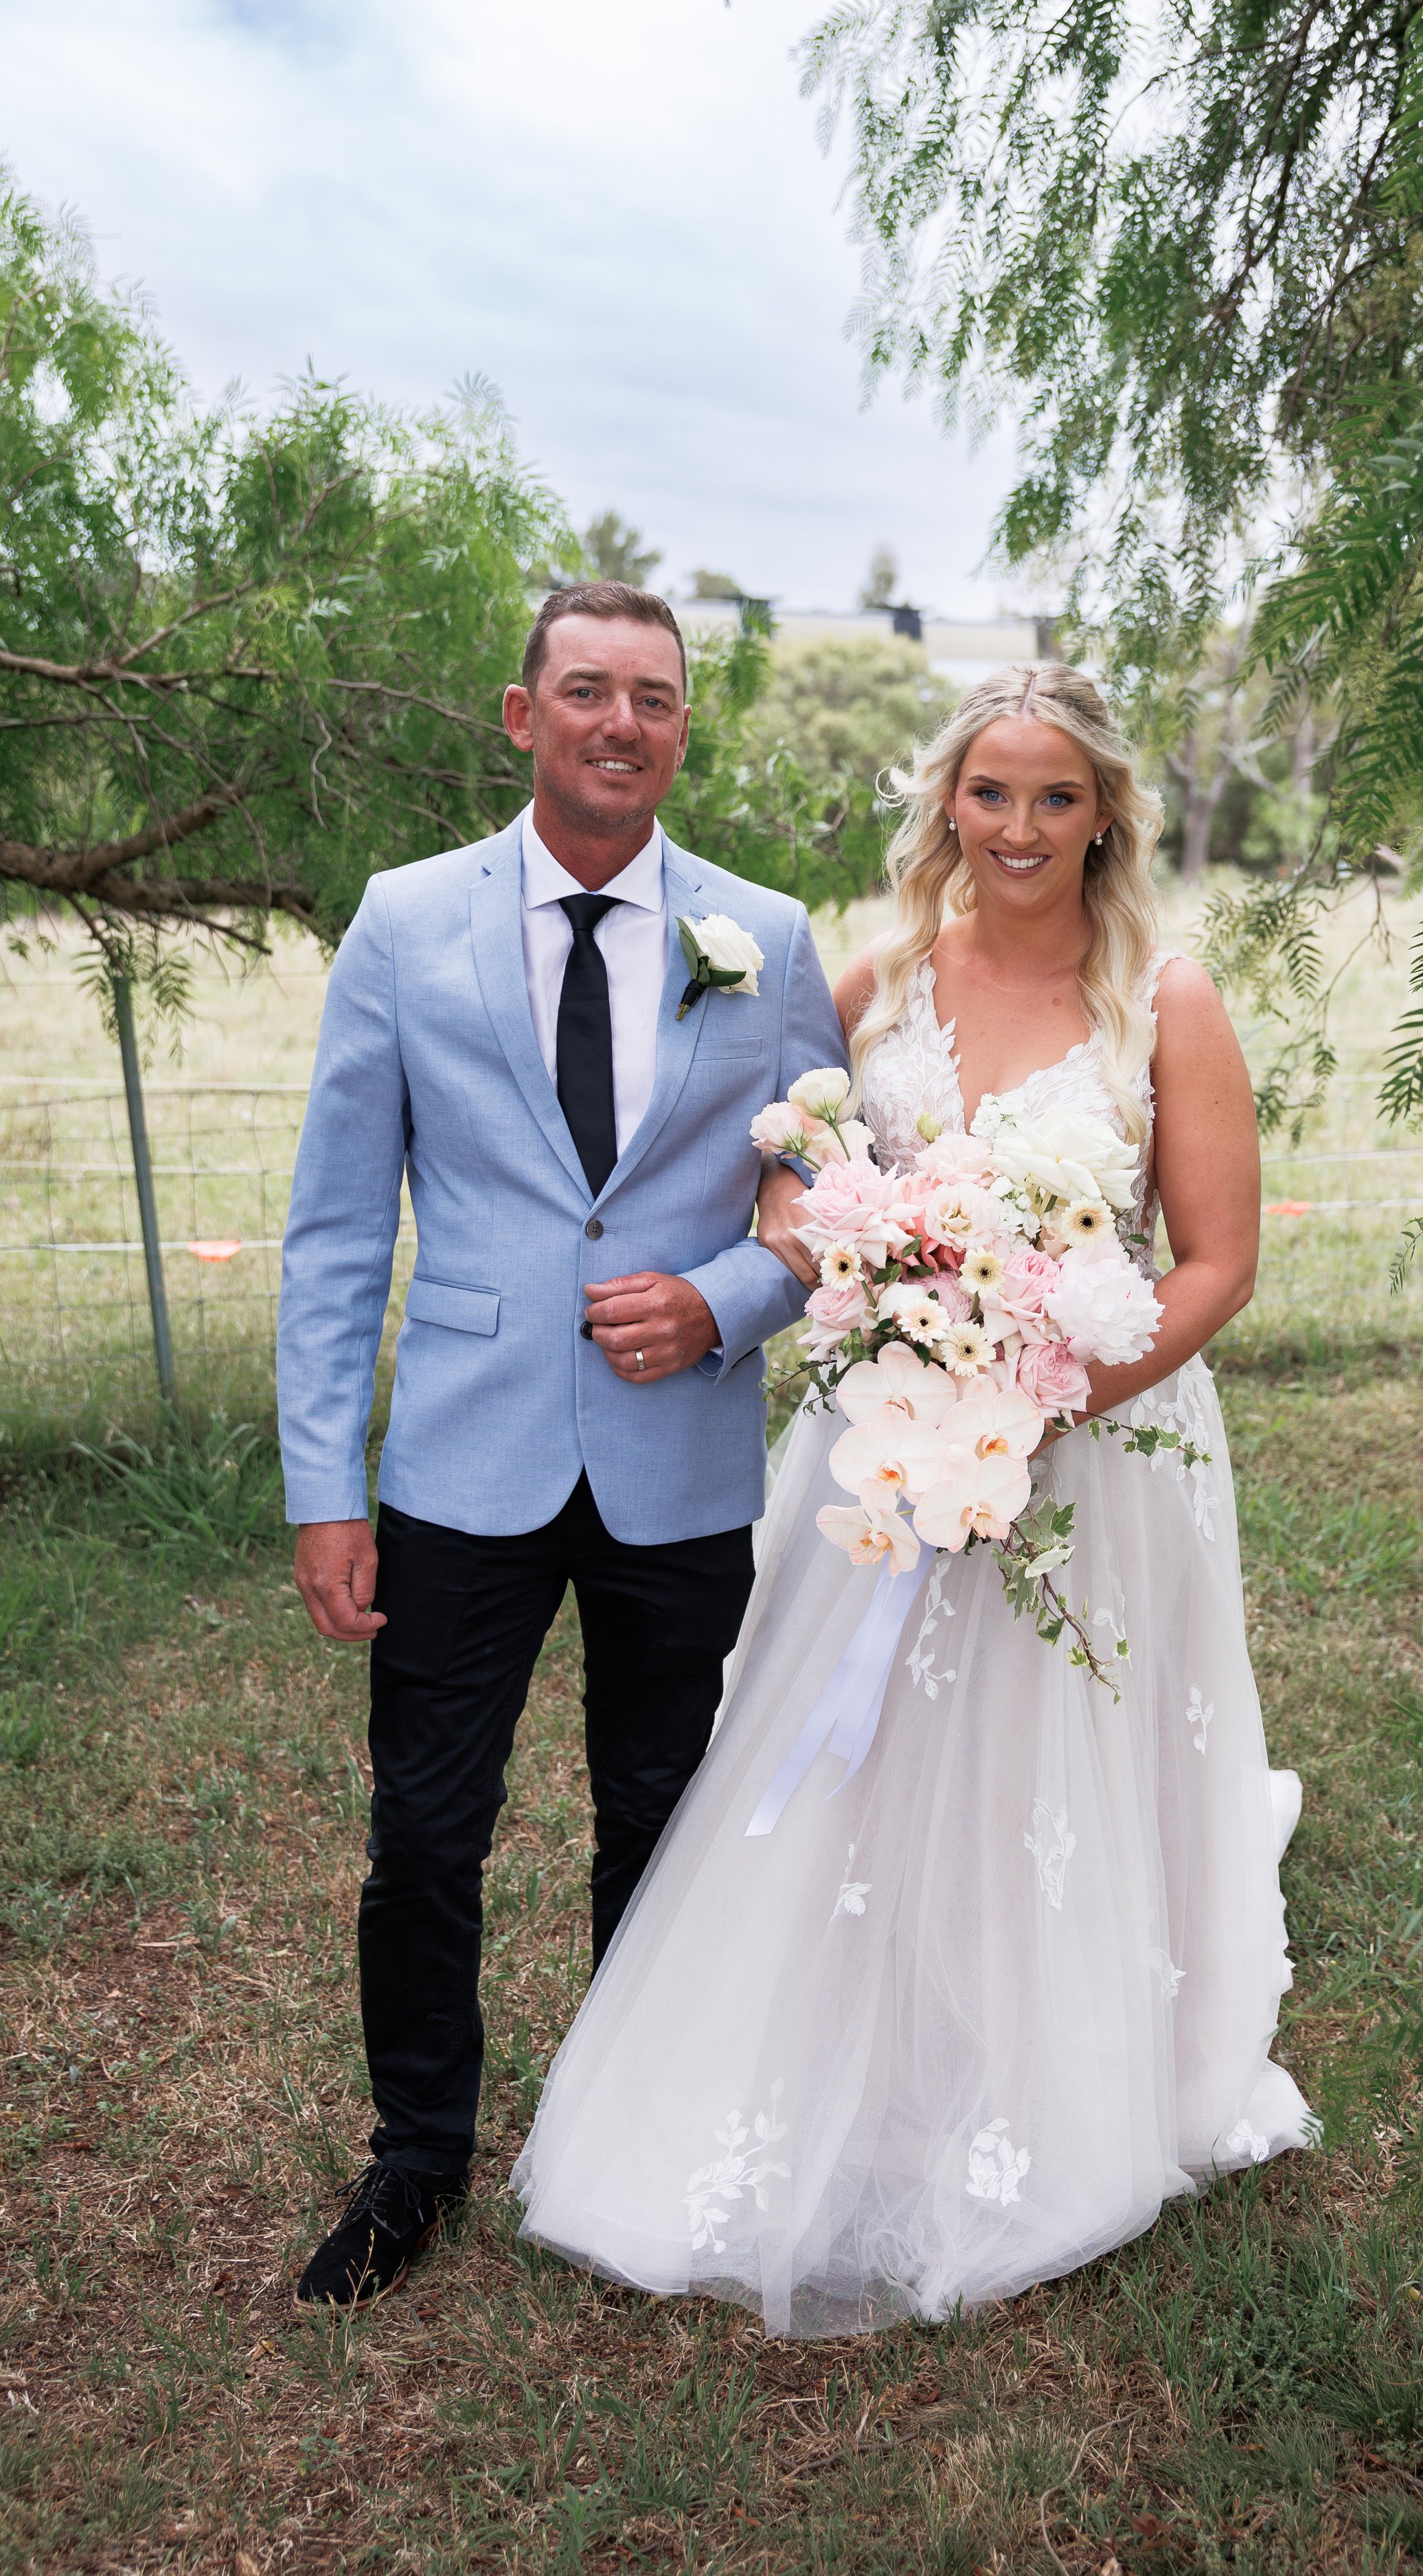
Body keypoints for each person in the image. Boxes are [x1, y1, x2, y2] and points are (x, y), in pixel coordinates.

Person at [512, 662, 1314, 2337]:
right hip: (879, 1449)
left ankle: (1061, 2070)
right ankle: (842, 2061)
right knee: (844, 1765)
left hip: (1092, 1454)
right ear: (946, 801)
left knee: (1052, 1759)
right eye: (990, 792)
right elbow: (793, 1178)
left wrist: (1041, 1396)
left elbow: (1218, 1262)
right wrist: (865, 1293)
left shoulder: (1159, 1002)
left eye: (1056, 798)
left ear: (1103, 816)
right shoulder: (867, 984)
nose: (1018, 828)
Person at [277, 580, 843, 2309]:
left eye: (652, 699)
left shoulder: (764, 935)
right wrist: (325, 1489)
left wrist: (726, 1299)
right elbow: (333, 1231)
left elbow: (821, 1190)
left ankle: (631, 2143)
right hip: (462, 1457)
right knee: (428, 1829)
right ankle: (416, 2162)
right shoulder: (402, 920)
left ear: (683, 727)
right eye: (585, 692)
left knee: (658, 1818)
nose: (620, 723)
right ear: (523, 717)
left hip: (676, 1462)